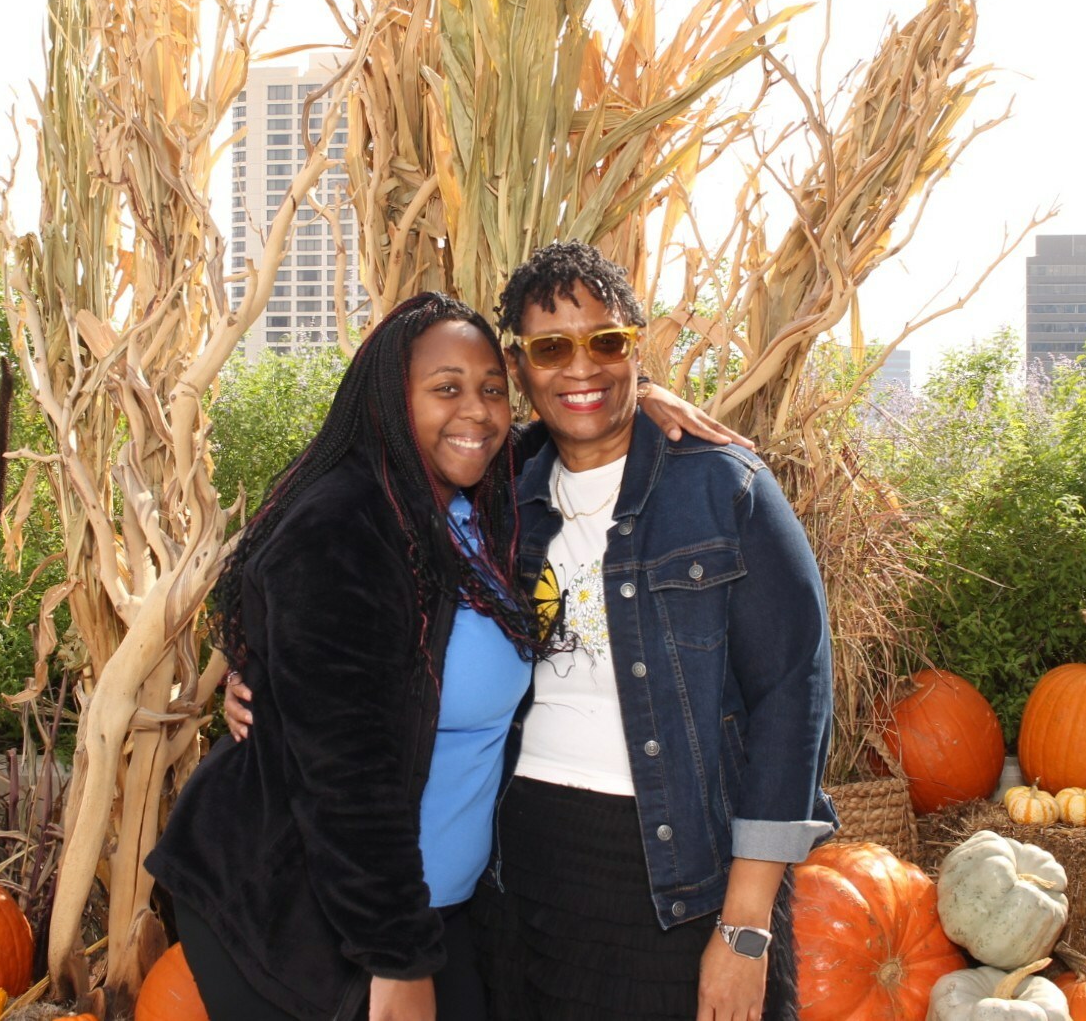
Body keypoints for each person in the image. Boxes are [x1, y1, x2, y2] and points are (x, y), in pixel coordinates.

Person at [227, 244, 837, 1021]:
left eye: (606, 342)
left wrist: (746, 926)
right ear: (520, 369)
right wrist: (253, 666)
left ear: (636, 349)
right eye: (552, 349)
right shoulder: (502, 489)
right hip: (522, 872)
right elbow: (324, 581)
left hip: (682, 871)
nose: (581, 367)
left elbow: (794, 699)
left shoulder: (725, 488)